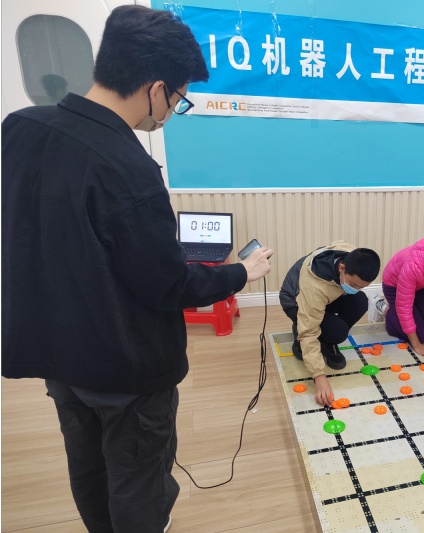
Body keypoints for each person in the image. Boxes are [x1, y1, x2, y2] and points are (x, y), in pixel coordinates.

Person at [1, 6, 273, 533]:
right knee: (138, 481)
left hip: (56, 353)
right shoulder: (128, 167)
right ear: (156, 89)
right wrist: (242, 272)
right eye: (178, 99)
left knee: (87, 466)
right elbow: (169, 284)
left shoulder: (20, 129)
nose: (172, 111)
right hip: (125, 367)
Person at [280, 242, 380, 406]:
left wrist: (354, 288)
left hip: (326, 296)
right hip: (295, 302)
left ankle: (326, 341)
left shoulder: (348, 253)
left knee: (360, 300)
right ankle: (300, 333)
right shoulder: (315, 288)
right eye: (353, 285)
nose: (356, 289)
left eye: (361, 286)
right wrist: (319, 377)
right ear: (342, 267)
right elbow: (309, 332)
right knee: (337, 332)